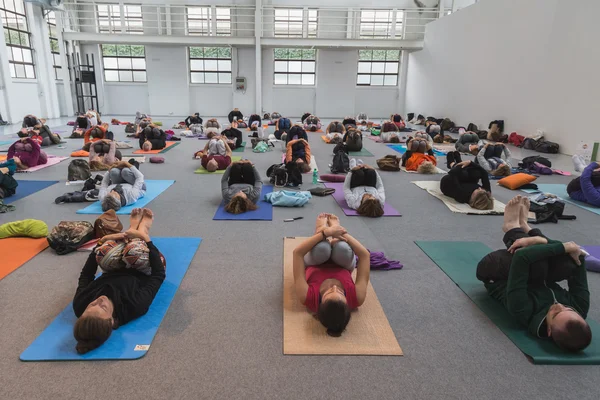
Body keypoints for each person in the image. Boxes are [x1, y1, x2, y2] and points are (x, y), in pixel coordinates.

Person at [477, 196, 591, 352]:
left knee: (539, 265)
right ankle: (525, 228)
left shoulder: (523, 311)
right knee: (570, 262)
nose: (559, 305)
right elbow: (579, 258)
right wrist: (539, 239)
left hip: (495, 272)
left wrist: (542, 242)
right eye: (568, 309)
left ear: (549, 331)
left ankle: (511, 227)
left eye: (556, 313)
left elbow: (522, 259)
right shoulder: (580, 308)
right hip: (536, 274)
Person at [72, 208, 165, 354]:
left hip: (114, 268)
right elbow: (158, 275)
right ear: (112, 321)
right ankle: (142, 229)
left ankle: (131, 231)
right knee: (133, 252)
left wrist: (101, 242)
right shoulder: (134, 305)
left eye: (92, 304)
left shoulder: (79, 305)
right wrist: (146, 239)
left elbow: (86, 275)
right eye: (103, 307)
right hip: (143, 269)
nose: (99, 300)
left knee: (103, 254)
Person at [293, 213, 370, 336]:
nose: (334, 287)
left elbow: (297, 253)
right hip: (342, 263)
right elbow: (364, 255)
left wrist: (325, 233)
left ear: (320, 304)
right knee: (342, 248)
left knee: (322, 249)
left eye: (328, 293)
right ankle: (336, 237)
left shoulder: (307, 297)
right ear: (347, 303)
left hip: (315, 262)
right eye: (340, 292)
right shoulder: (357, 297)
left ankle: (319, 230)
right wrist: (339, 231)